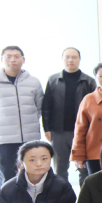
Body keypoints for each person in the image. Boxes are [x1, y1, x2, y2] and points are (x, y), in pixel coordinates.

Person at [0, 46, 44, 187]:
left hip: (30, 139)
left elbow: (39, 108)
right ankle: (8, 202)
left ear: (23, 60)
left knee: (32, 175)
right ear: (2, 59)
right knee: (7, 177)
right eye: (8, 56)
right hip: (4, 140)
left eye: (17, 56)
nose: (13, 59)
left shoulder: (33, 82)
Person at [42, 47, 96, 187]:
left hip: (83, 131)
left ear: (79, 59)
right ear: (62, 59)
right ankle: (62, 197)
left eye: (74, 57)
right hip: (58, 131)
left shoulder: (89, 81)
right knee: (60, 169)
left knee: (84, 168)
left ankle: (85, 198)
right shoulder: (53, 80)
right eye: (67, 57)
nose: (70, 60)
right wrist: (47, 128)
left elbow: (95, 108)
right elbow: (46, 106)